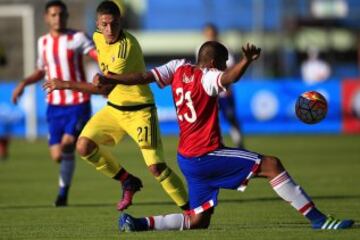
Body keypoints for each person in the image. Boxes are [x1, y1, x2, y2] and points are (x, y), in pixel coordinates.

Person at [93, 41, 354, 231]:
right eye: (225, 60)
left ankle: (139, 224)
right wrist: (246, 61)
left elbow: (142, 76)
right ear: (215, 62)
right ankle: (319, 220)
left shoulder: (178, 68)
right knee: (272, 165)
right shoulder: (208, 78)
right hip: (207, 154)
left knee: (198, 221)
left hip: (187, 157)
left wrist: (112, 78)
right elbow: (228, 77)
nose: (226, 64)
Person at [43, 0, 188, 212]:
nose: (110, 29)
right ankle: (127, 180)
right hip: (114, 109)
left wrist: (65, 84)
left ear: (121, 22)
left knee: (156, 167)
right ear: (98, 25)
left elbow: (103, 90)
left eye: (114, 24)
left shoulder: (125, 48)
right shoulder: (97, 38)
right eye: (105, 24)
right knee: (83, 146)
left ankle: (191, 210)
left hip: (140, 110)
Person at [11, 0, 98, 207]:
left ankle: (62, 195)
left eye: (61, 14)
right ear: (46, 18)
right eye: (53, 15)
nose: (57, 18)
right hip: (54, 106)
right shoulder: (43, 43)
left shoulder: (77, 38)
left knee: (68, 144)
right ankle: (64, 187)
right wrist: (24, 82)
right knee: (58, 155)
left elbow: (98, 55)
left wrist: (104, 75)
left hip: (78, 102)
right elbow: (42, 70)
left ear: (66, 16)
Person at [196, 23, 244, 148]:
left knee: (230, 116)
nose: (210, 35)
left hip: (223, 89)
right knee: (210, 118)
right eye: (208, 33)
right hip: (208, 90)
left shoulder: (223, 47)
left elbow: (231, 68)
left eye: (212, 32)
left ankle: (239, 142)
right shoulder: (200, 49)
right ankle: (212, 144)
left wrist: (227, 85)